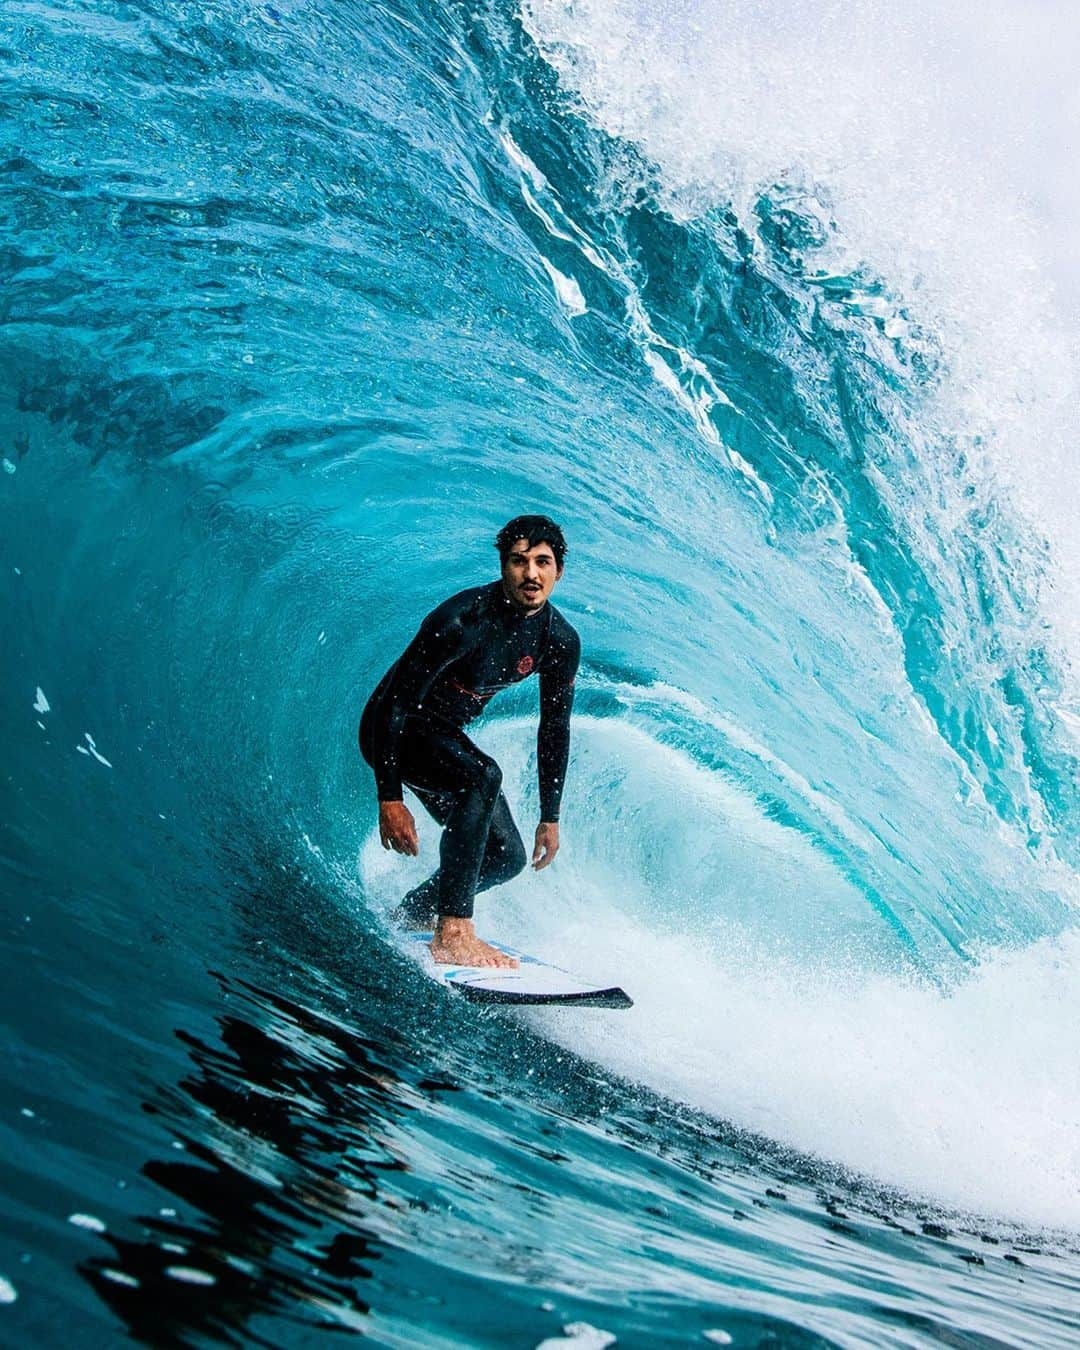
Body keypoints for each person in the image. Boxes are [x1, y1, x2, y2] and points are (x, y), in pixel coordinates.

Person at [359, 516, 581, 969]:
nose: (531, 574)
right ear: (503, 567)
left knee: (506, 857)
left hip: (443, 739)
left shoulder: (559, 641)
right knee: (483, 775)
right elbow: (396, 703)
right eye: (519, 562)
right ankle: (454, 931)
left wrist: (550, 816)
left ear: (559, 571)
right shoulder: (462, 620)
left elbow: (554, 728)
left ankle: (409, 915)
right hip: (394, 730)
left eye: (543, 562)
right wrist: (390, 798)